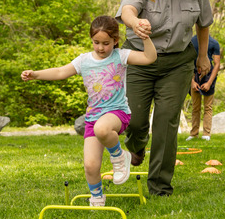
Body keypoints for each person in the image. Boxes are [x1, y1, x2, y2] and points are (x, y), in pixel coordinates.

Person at [21, 16, 156, 206]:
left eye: (106, 43)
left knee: (102, 129)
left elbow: (150, 57)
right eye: (96, 42)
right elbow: (60, 72)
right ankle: (97, 198)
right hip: (93, 117)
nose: (101, 48)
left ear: (115, 40)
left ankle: (119, 156)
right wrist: (36, 75)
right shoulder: (84, 60)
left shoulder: (121, 56)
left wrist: (145, 38)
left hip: (117, 113)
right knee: (91, 166)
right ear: (91, 40)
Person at [115, 0, 213, 196]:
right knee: (134, 120)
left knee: (166, 120)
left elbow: (203, 23)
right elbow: (126, 10)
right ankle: (136, 146)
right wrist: (135, 22)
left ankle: (159, 186)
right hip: (139, 59)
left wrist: (203, 56)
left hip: (177, 62)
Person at [186, 35, 221, 141]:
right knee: (195, 107)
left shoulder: (214, 43)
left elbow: (217, 64)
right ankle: (193, 134)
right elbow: (187, 62)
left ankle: (206, 133)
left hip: (209, 76)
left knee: (208, 107)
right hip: (194, 75)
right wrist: (192, 81)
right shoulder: (191, 41)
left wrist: (209, 83)